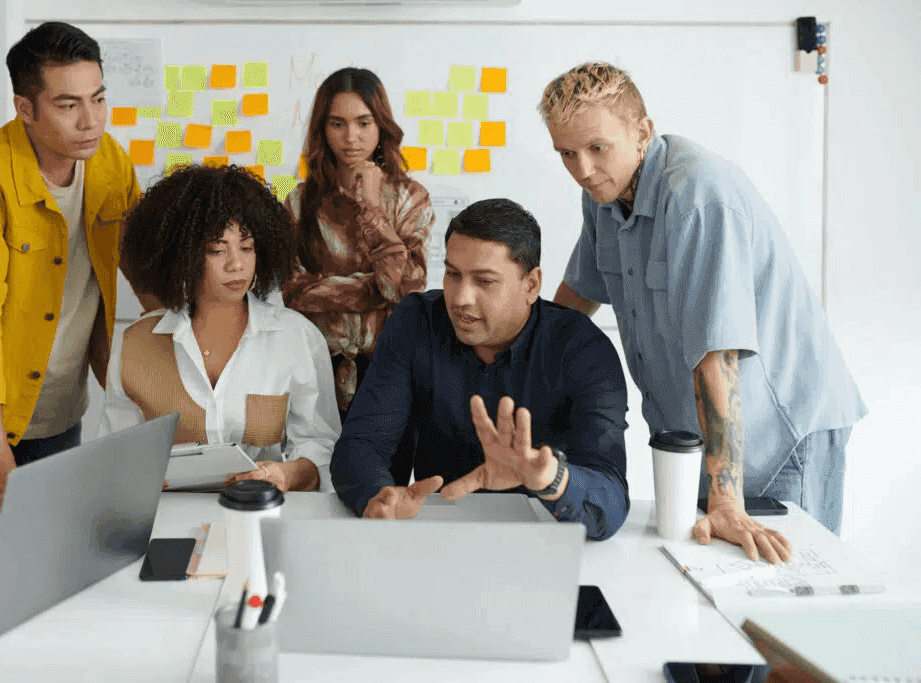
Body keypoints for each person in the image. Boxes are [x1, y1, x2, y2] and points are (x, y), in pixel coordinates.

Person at [539, 62, 867, 561]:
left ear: (642, 132)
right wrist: (519, 366)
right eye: (566, 153)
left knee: (781, 588)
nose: (582, 168)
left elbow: (717, 353)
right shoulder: (602, 195)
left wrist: (727, 500)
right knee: (706, 574)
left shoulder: (696, 195)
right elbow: (578, 295)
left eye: (597, 148)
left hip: (780, 435)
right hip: (698, 439)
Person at [0, 22, 140, 533]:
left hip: (60, 407)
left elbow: (146, 267)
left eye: (98, 98)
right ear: (26, 109)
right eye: (68, 105)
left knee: (50, 552)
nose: (91, 121)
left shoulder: (110, 162)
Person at [330, 198, 630, 540]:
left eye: (484, 281)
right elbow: (363, 445)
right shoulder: (416, 322)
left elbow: (611, 501)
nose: (460, 298)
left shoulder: (583, 349)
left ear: (531, 285)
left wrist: (552, 479)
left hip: (542, 543)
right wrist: (378, 497)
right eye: (453, 275)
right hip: (436, 536)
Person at [100, 164, 341, 492]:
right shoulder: (136, 343)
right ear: (182, 255)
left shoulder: (296, 337)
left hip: (259, 516)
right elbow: (114, 459)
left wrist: (287, 474)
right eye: (217, 250)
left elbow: (319, 446)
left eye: (246, 247)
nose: (236, 264)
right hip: (167, 521)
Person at [283, 67, 435, 421]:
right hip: (315, 366)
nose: (351, 137)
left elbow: (405, 288)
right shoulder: (299, 201)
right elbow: (292, 291)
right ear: (322, 129)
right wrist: (374, 291)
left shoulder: (410, 198)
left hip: (389, 366)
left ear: (381, 126)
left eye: (363, 123)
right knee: (317, 471)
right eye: (338, 124)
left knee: (381, 474)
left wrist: (371, 208)